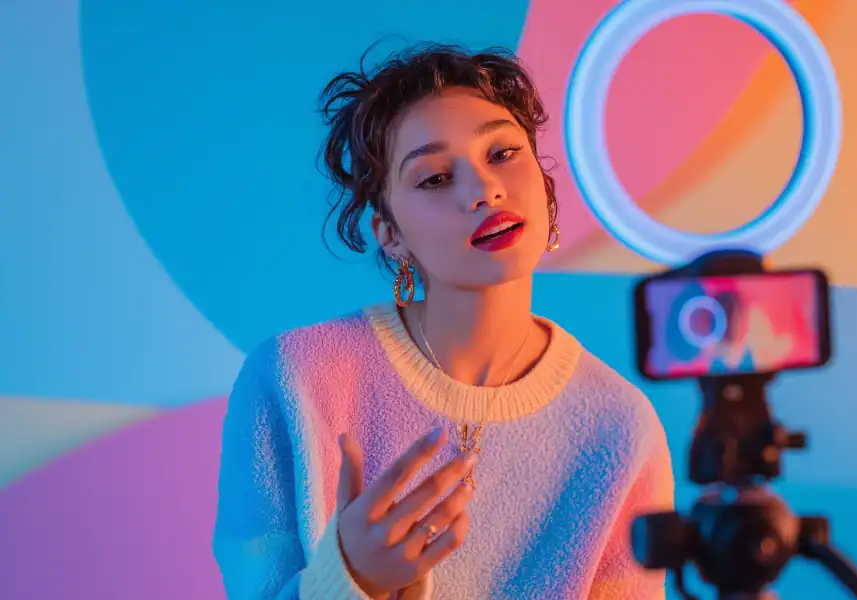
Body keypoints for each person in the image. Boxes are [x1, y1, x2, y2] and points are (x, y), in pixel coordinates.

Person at [212, 43, 675, 600]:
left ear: (544, 184)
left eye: (503, 153)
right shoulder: (294, 378)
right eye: (434, 178)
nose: (485, 189)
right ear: (390, 233)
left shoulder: (619, 425)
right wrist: (350, 579)